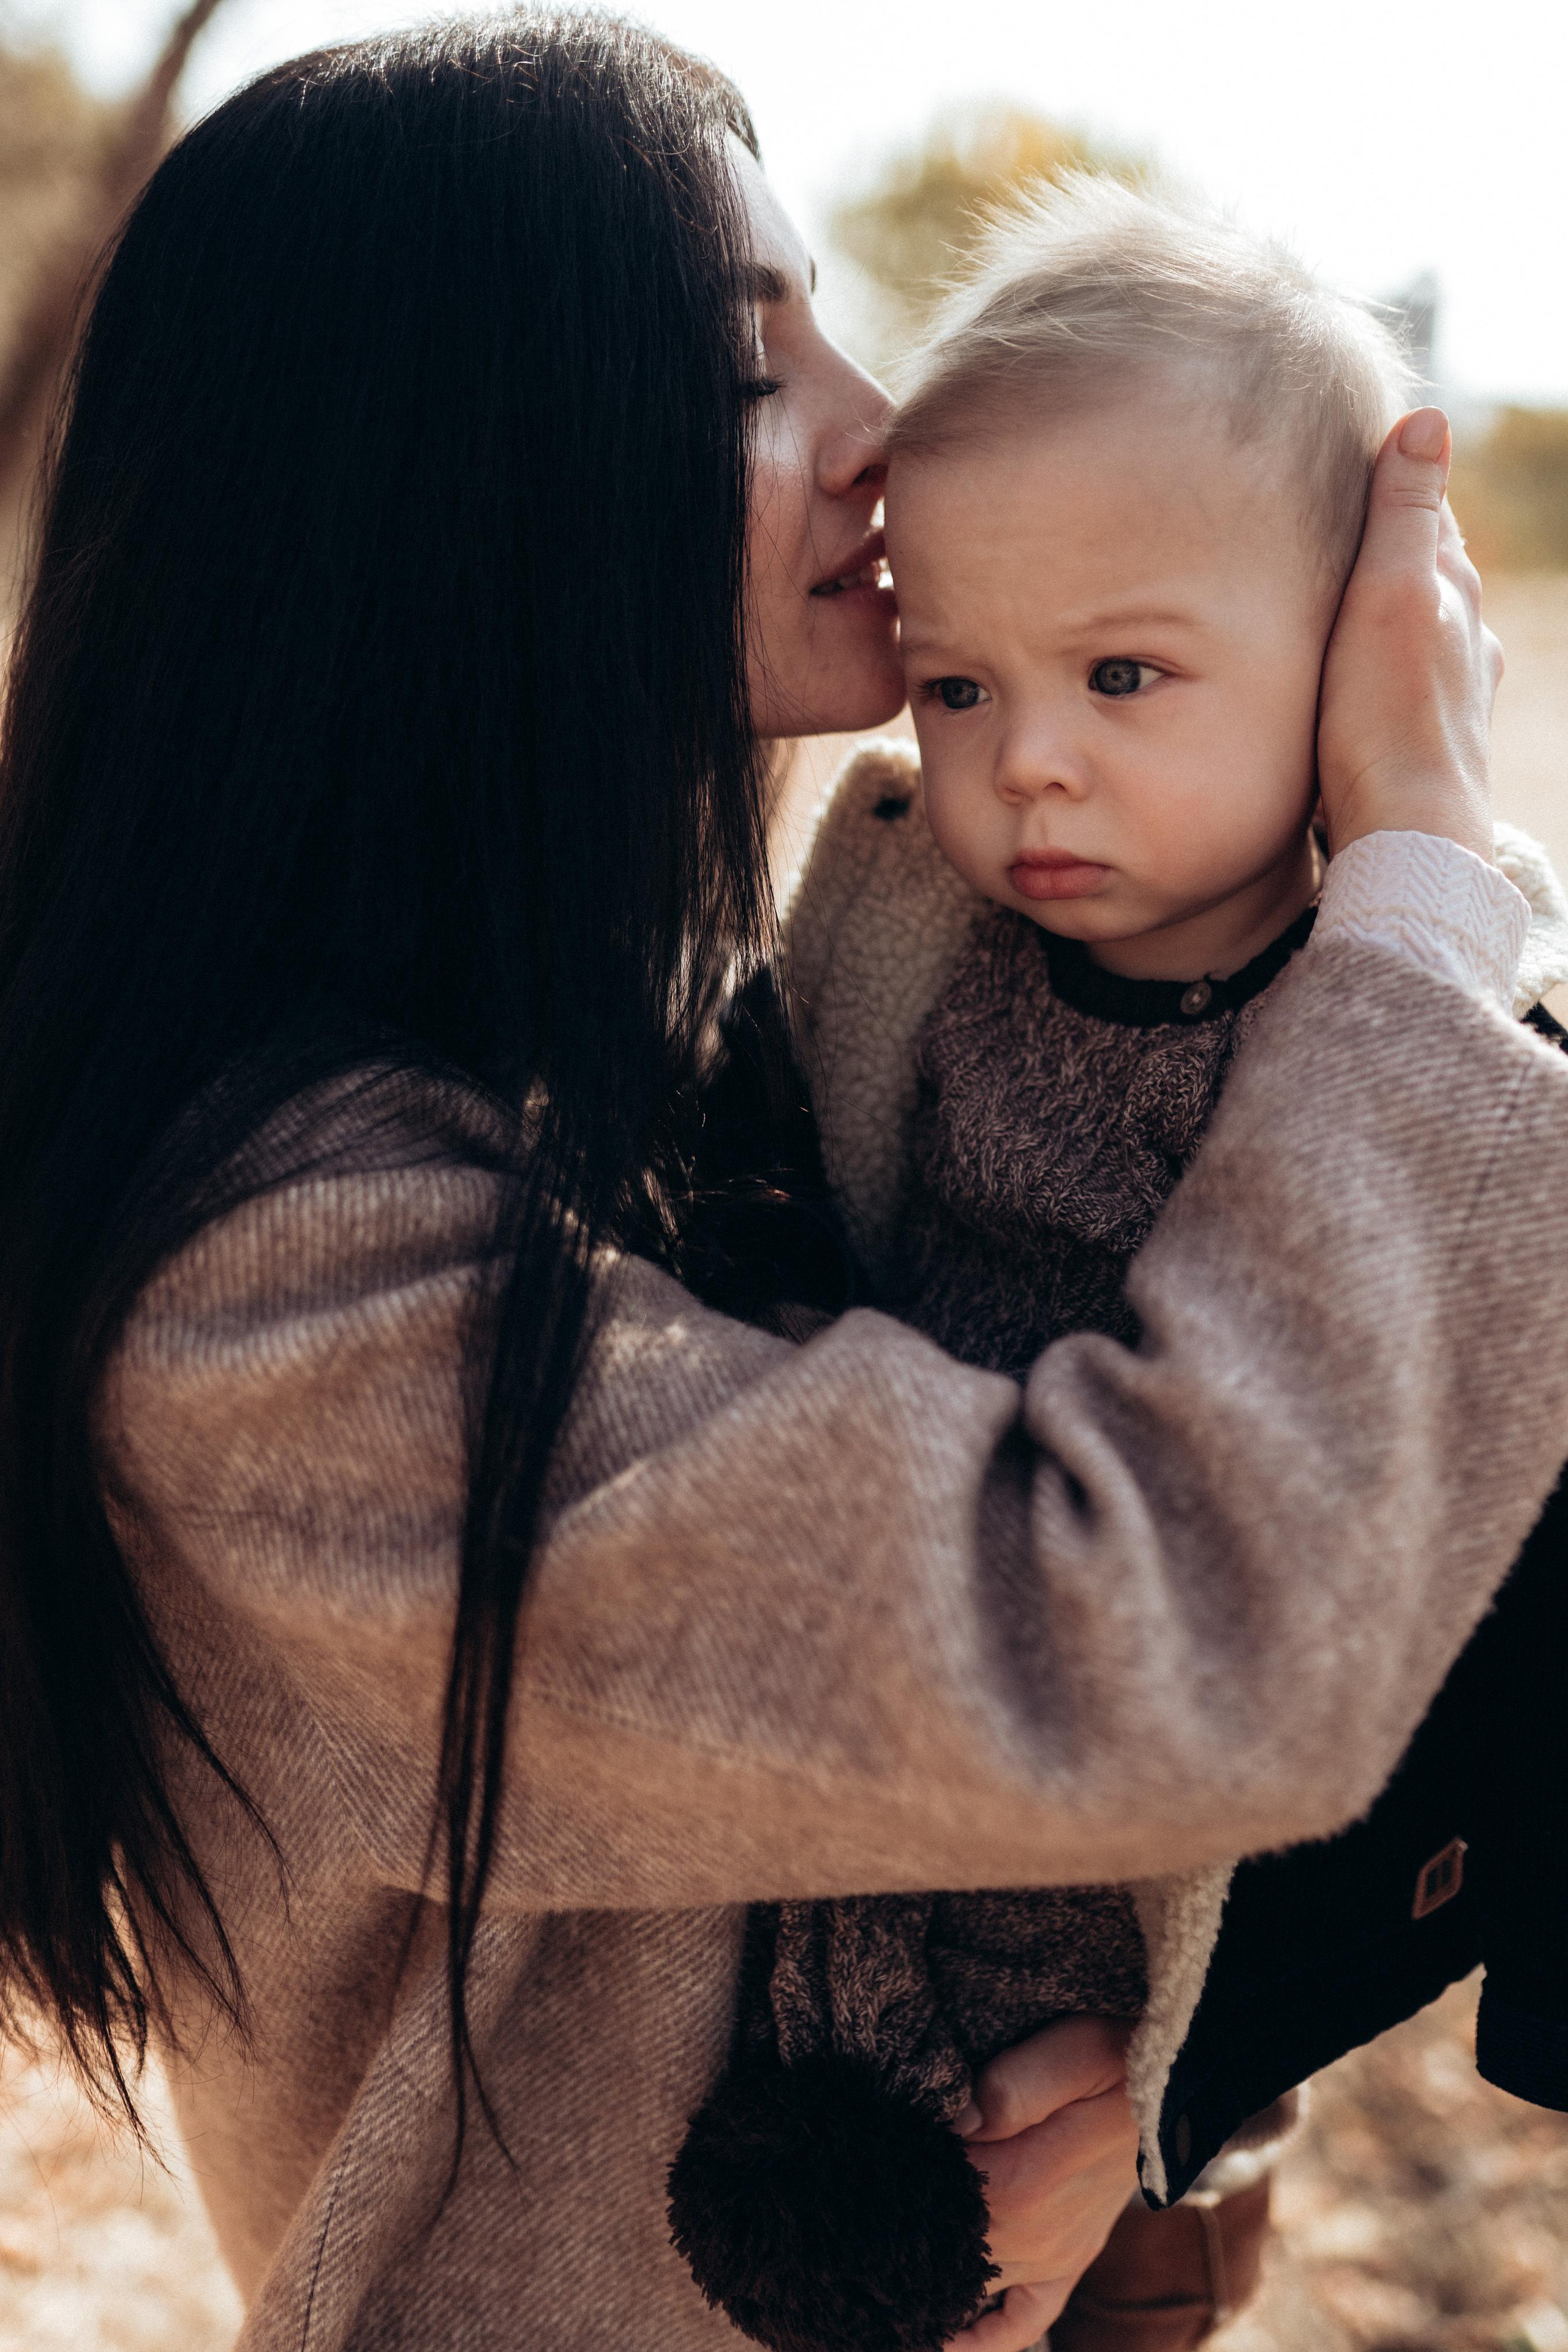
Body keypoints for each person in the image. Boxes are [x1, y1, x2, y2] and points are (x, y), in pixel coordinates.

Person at [0, 19, 1563, 2352]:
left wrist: (1155, 2084)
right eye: (757, 373)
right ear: (463, 482)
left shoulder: (681, 1015)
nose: (880, 430)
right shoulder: (276, 1309)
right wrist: (1424, 884)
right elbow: (1153, 1644)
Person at [674, 175, 1568, 2352]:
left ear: (1364, 668)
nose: (1029, 759)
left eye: (1127, 673)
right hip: (858, 1893)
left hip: (1191, 1996)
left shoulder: (1431, 1086)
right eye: (961, 682)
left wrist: (1184, 2076)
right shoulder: (897, 945)